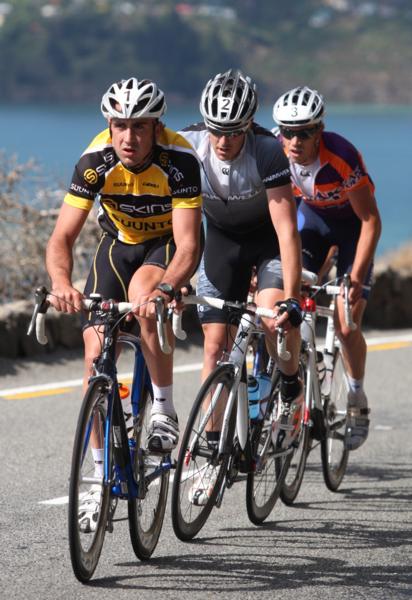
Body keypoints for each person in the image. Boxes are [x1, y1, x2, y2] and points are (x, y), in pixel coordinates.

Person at [46, 77, 202, 528]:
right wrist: (62, 281)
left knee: (142, 299)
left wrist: (168, 289)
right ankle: (97, 480)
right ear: (109, 126)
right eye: (120, 125)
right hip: (117, 245)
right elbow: (62, 237)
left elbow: (190, 246)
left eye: (140, 126)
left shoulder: (179, 161)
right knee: (95, 351)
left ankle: (164, 409)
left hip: (166, 248)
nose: (129, 137)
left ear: (157, 127)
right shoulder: (96, 160)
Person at [179, 69, 303, 505]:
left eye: (232, 131)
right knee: (214, 347)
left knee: (272, 318)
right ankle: (211, 454)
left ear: (248, 125)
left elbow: (287, 232)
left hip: (266, 244)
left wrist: (292, 296)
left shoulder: (268, 151)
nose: (222, 140)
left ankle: (289, 383)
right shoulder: (188, 143)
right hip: (223, 246)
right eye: (216, 129)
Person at [273, 85, 382, 451]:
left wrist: (353, 278)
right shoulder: (275, 154)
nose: (295, 140)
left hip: (352, 227)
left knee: (345, 321)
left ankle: (356, 398)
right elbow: (276, 216)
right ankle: (295, 391)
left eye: (304, 132)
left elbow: (370, 220)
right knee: (286, 298)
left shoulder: (341, 156)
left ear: (319, 130)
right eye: (288, 131)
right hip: (313, 224)